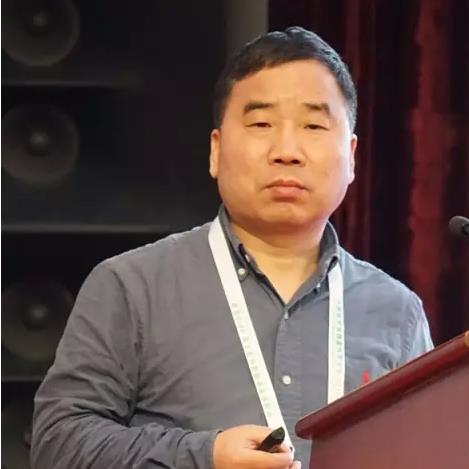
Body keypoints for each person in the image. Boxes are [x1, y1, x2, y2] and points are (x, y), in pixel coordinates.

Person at [30, 27, 433, 469]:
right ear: (216, 151)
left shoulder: (397, 313)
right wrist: (204, 456)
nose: (287, 150)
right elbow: (57, 444)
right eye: (261, 124)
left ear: (351, 156)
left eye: (314, 126)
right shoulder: (133, 287)